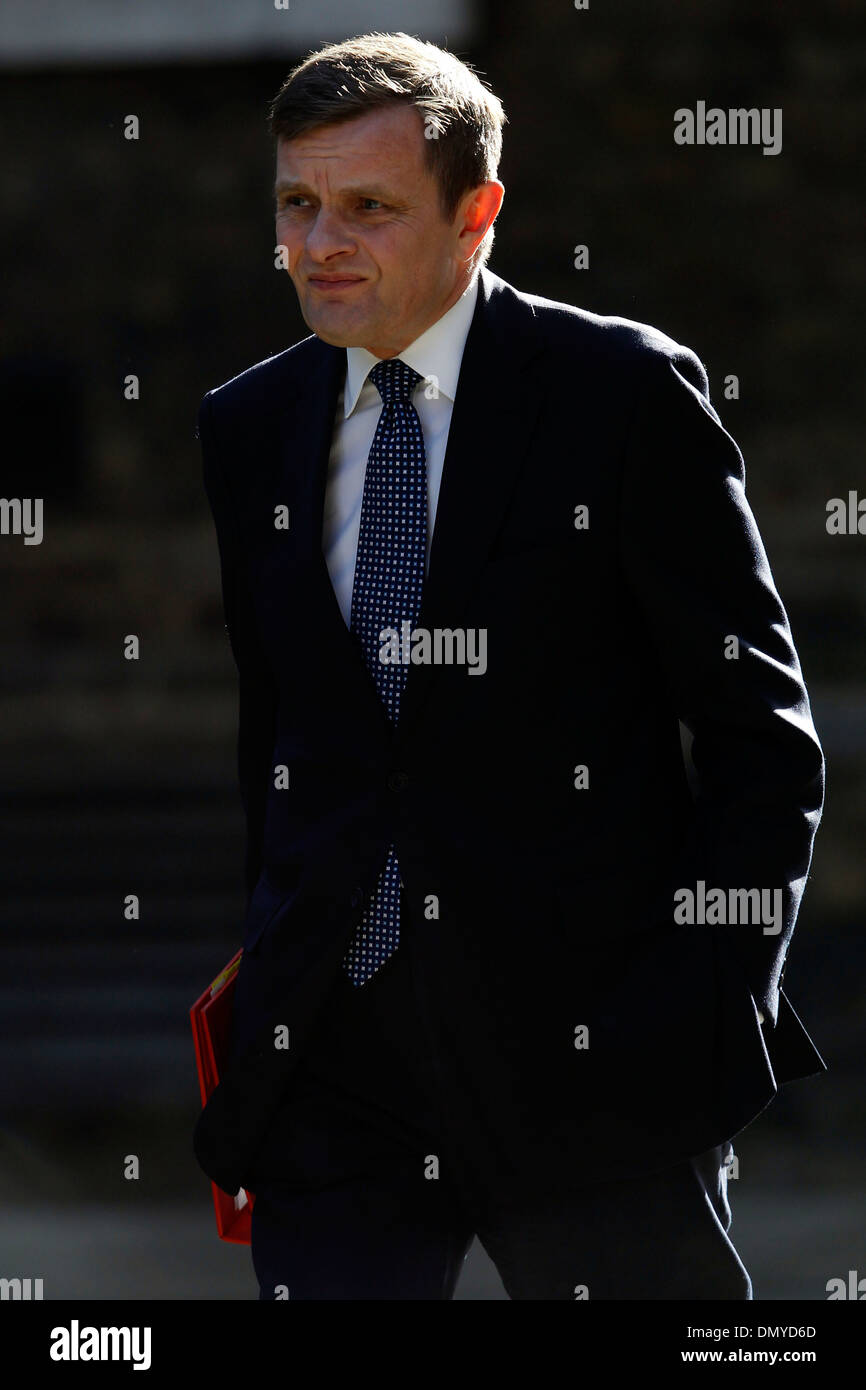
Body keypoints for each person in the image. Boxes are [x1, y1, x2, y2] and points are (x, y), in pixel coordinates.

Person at [193, 31, 826, 1300]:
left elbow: (761, 737)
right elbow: (287, 740)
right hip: (335, 1064)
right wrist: (267, 985)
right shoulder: (246, 422)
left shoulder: (621, 393)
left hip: (593, 1064)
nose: (318, 244)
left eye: (366, 208)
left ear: (475, 211)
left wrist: (705, 1010)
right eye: (296, 204)